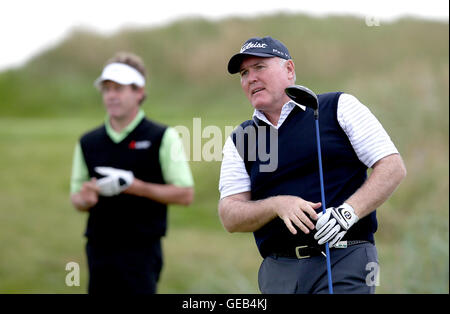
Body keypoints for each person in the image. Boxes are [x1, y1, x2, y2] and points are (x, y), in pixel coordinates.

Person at [218, 36, 407, 294]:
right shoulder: (241, 139)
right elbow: (230, 214)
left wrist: (347, 213)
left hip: (345, 256)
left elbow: (392, 166)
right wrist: (276, 205)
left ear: (289, 69)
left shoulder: (337, 107)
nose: (250, 78)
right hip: (278, 271)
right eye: (244, 73)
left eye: (260, 67)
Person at [70, 52, 194, 294]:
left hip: (142, 250)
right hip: (99, 247)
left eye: (119, 88)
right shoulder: (88, 141)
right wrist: (84, 199)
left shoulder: (163, 137)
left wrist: (136, 187)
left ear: (139, 92)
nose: (111, 96)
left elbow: (185, 194)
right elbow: (77, 197)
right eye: (107, 89)